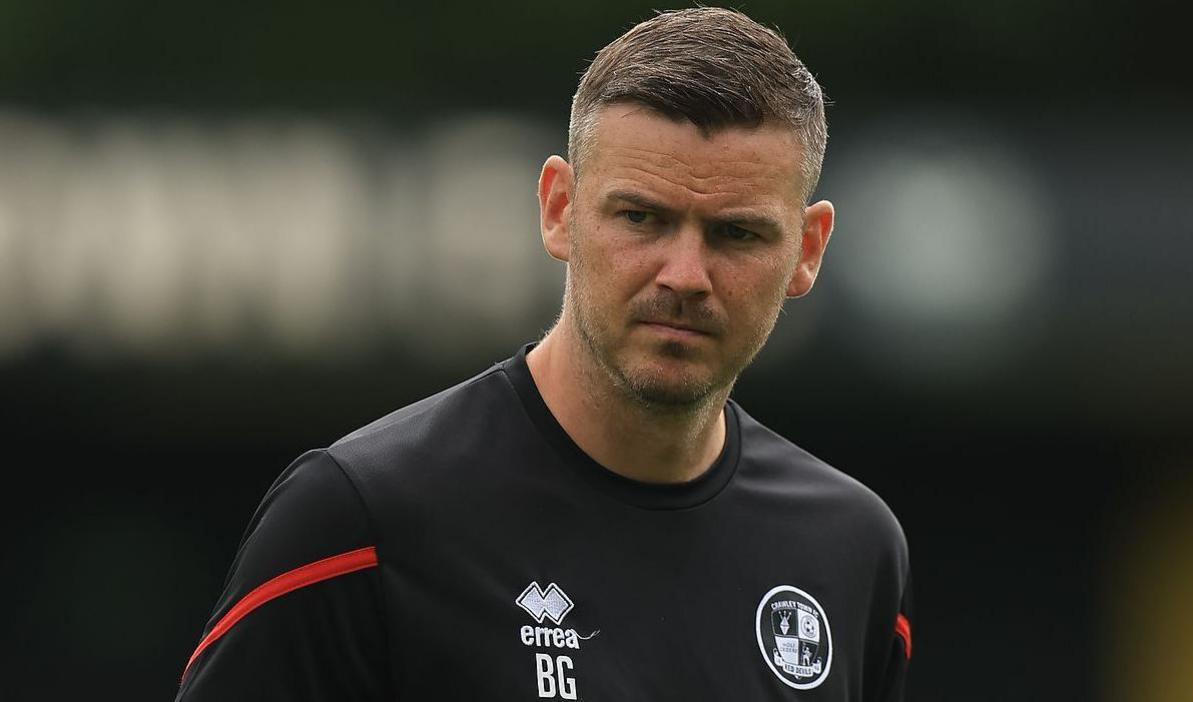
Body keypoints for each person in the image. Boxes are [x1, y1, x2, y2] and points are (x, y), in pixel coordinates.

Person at [176, 7, 912, 701]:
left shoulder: (851, 551)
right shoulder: (362, 519)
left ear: (808, 250)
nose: (685, 276)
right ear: (560, 209)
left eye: (737, 235)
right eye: (640, 217)